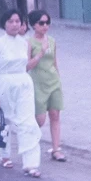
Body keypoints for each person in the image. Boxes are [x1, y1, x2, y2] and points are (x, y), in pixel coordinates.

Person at [0, 8, 42, 178]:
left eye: (18, 21)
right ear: (4, 24)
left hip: (23, 84)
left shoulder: (24, 42)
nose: (15, 24)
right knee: (4, 121)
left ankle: (31, 164)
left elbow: (26, 65)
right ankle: (4, 155)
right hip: (4, 85)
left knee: (28, 122)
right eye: (11, 21)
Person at [26, 9, 66, 162]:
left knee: (55, 115)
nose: (45, 26)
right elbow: (27, 66)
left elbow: (55, 62)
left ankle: (56, 149)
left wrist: (58, 78)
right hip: (38, 84)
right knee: (40, 120)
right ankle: (30, 141)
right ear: (33, 25)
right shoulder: (29, 43)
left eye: (47, 23)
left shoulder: (52, 41)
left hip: (53, 82)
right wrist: (40, 53)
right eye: (41, 23)